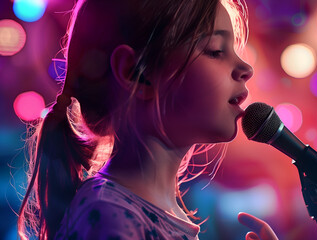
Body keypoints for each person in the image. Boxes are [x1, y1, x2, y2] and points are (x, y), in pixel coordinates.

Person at [17, 0, 279, 239]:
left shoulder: (134, 213)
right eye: (215, 50)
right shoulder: (110, 219)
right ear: (136, 74)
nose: (247, 69)